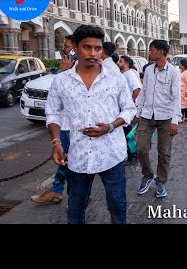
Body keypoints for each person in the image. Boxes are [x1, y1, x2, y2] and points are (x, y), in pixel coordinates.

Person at [46, 25, 137, 224]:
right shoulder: (61, 81)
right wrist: (56, 143)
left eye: (97, 48)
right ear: (75, 48)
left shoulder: (115, 78)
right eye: (87, 47)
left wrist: (110, 126)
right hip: (77, 155)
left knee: (117, 206)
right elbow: (53, 113)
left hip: (112, 154)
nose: (93, 53)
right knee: (75, 208)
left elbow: (129, 109)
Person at [31, 33, 84, 204]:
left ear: (76, 48)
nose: (64, 49)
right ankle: (58, 189)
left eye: (67, 46)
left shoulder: (79, 68)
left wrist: (65, 72)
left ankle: (63, 191)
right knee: (65, 158)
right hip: (65, 122)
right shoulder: (71, 67)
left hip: (73, 124)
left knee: (67, 159)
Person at [135, 40, 181, 198]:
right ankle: (147, 174)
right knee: (140, 148)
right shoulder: (148, 70)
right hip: (147, 115)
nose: (150, 53)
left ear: (161, 52)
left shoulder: (174, 72)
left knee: (164, 152)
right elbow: (143, 91)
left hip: (166, 117)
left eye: (152, 50)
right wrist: (138, 112)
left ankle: (161, 181)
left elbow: (176, 97)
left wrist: (175, 120)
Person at [117, 55, 142, 166]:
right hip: (124, 109)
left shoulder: (129, 74)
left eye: (120, 61)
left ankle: (133, 155)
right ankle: (129, 153)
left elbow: (137, 89)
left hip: (129, 110)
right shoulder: (123, 75)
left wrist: (130, 102)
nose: (118, 63)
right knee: (125, 131)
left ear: (126, 64)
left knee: (128, 132)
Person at [179, 58, 187, 122]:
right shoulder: (182, 72)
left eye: (180, 64)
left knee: (183, 104)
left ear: (183, 65)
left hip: (184, 91)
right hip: (181, 90)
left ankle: (182, 116)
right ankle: (186, 116)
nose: (179, 65)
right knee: (184, 104)